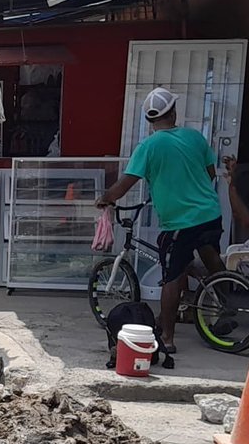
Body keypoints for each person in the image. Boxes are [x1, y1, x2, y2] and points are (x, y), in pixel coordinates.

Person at [96, 86, 225, 353]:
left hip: (180, 221)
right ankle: (224, 298)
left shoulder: (149, 146)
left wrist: (106, 198)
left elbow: (126, 183)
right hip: (211, 213)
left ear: (148, 120)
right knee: (207, 254)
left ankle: (166, 336)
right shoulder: (194, 137)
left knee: (172, 276)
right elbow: (210, 173)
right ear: (174, 112)